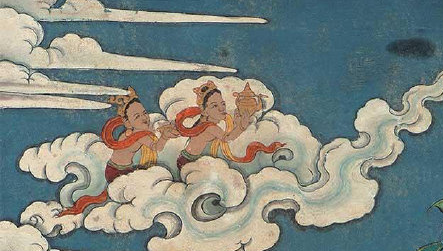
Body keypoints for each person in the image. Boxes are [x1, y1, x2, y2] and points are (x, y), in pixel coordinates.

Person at [60, 89, 178, 219]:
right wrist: (164, 137)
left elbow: (151, 132)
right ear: (127, 122)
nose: (144, 117)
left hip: (113, 168)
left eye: (144, 113)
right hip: (119, 172)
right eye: (137, 116)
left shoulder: (131, 132)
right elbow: (156, 148)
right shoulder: (140, 136)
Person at [175, 81, 283, 171]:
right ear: (205, 111)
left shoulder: (205, 122)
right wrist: (241, 127)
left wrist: (236, 123)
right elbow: (228, 138)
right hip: (188, 161)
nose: (221, 108)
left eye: (223, 104)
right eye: (214, 106)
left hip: (187, 159)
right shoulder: (210, 127)